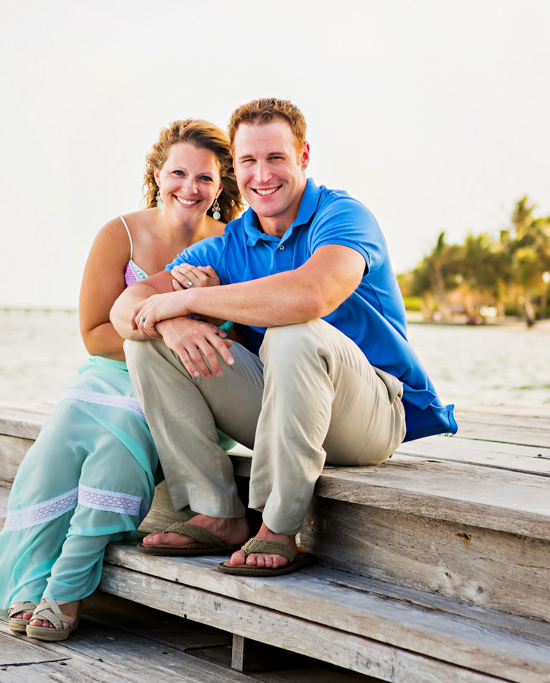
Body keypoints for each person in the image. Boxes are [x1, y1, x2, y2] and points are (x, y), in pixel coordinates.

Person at [111, 98, 456, 577]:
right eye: (248, 161)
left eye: (276, 158)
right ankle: (219, 513)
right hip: (283, 412)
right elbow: (125, 309)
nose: (262, 175)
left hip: (370, 415)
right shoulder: (226, 245)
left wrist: (192, 301)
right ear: (236, 166)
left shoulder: (343, 216)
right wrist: (171, 319)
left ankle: (277, 525)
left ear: (303, 156)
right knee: (146, 342)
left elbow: (311, 296)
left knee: (294, 332)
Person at [0, 119, 242, 641]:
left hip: (186, 385)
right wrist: (165, 323)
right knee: (56, 446)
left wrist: (206, 303)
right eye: (178, 173)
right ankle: (29, 582)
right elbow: (95, 332)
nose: (189, 188)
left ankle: (68, 587)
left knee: (118, 439)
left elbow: (239, 338)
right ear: (157, 173)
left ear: (221, 186)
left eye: (205, 178)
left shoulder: (234, 245)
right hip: (107, 371)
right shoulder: (120, 234)